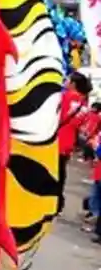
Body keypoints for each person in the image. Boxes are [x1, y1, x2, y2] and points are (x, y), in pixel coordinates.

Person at [58, 72, 93, 215]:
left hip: (56, 139)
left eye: (68, 80)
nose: (65, 81)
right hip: (68, 142)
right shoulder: (84, 104)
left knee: (52, 172)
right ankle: (58, 203)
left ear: (73, 84)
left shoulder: (65, 97)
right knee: (61, 172)